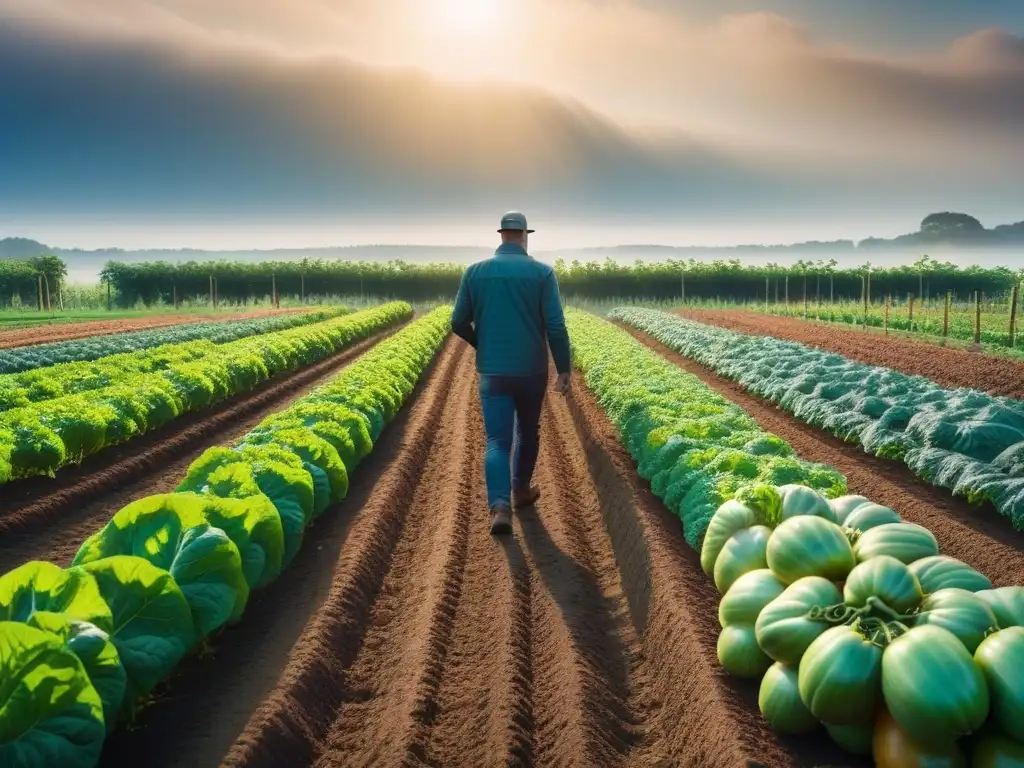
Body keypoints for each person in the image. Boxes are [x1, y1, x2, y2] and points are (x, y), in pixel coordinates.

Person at [451, 211, 572, 536]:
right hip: (531, 369)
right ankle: (520, 491)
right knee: (528, 432)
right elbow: (556, 326)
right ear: (524, 236)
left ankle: (500, 506)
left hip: (493, 370)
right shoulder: (542, 274)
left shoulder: (474, 273)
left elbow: (457, 322)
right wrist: (563, 368)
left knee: (496, 441)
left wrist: (482, 344)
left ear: (501, 235)